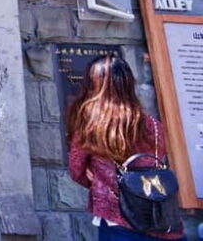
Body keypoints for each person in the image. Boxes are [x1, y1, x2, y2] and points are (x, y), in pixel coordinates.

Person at [67, 55, 186, 241]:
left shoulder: (90, 126)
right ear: (129, 83)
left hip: (118, 221)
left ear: (94, 85)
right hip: (162, 220)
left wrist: (99, 176)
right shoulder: (153, 125)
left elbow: (77, 170)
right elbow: (154, 158)